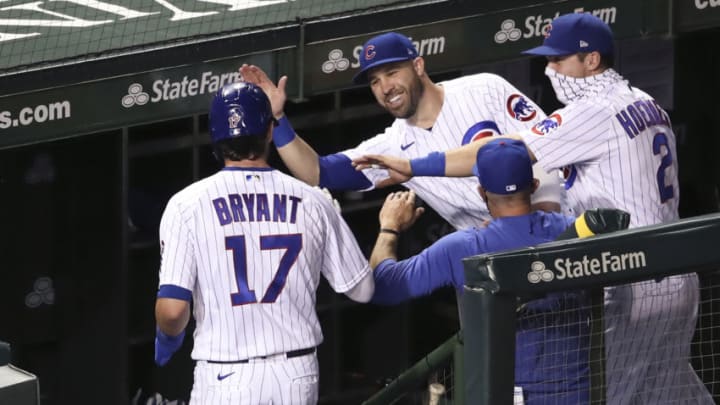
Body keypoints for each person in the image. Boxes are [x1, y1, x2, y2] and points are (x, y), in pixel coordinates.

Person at [354, 13, 713, 404]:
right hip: (678, 275)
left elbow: (499, 150)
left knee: (613, 397)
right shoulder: (647, 102)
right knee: (676, 391)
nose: (550, 69)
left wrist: (412, 166)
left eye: (558, 60)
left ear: (591, 60)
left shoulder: (590, 112)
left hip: (633, 278)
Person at [153, 82, 374, 404]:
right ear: (270, 131)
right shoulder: (312, 199)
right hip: (296, 375)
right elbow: (363, 290)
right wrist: (389, 233)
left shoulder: (187, 204)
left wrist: (167, 338)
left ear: (215, 137)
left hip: (225, 377)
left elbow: (173, 312)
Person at [238, 31, 566, 233]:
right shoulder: (393, 145)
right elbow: (317, 172)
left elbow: (552, 147)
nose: (385, 88)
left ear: (419, 67)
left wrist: (536, 215)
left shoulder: (484, 89)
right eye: (375, 81)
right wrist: (278, 118)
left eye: (392, 72)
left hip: (557, 228)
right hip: (492, 261)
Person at [369, 139, 613, 404]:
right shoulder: (573, 232)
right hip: (575, 393)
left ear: (481, 191)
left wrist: (389, 227)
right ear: (533, 186)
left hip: (499, 394)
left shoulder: (464, 247)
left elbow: (381, 287)